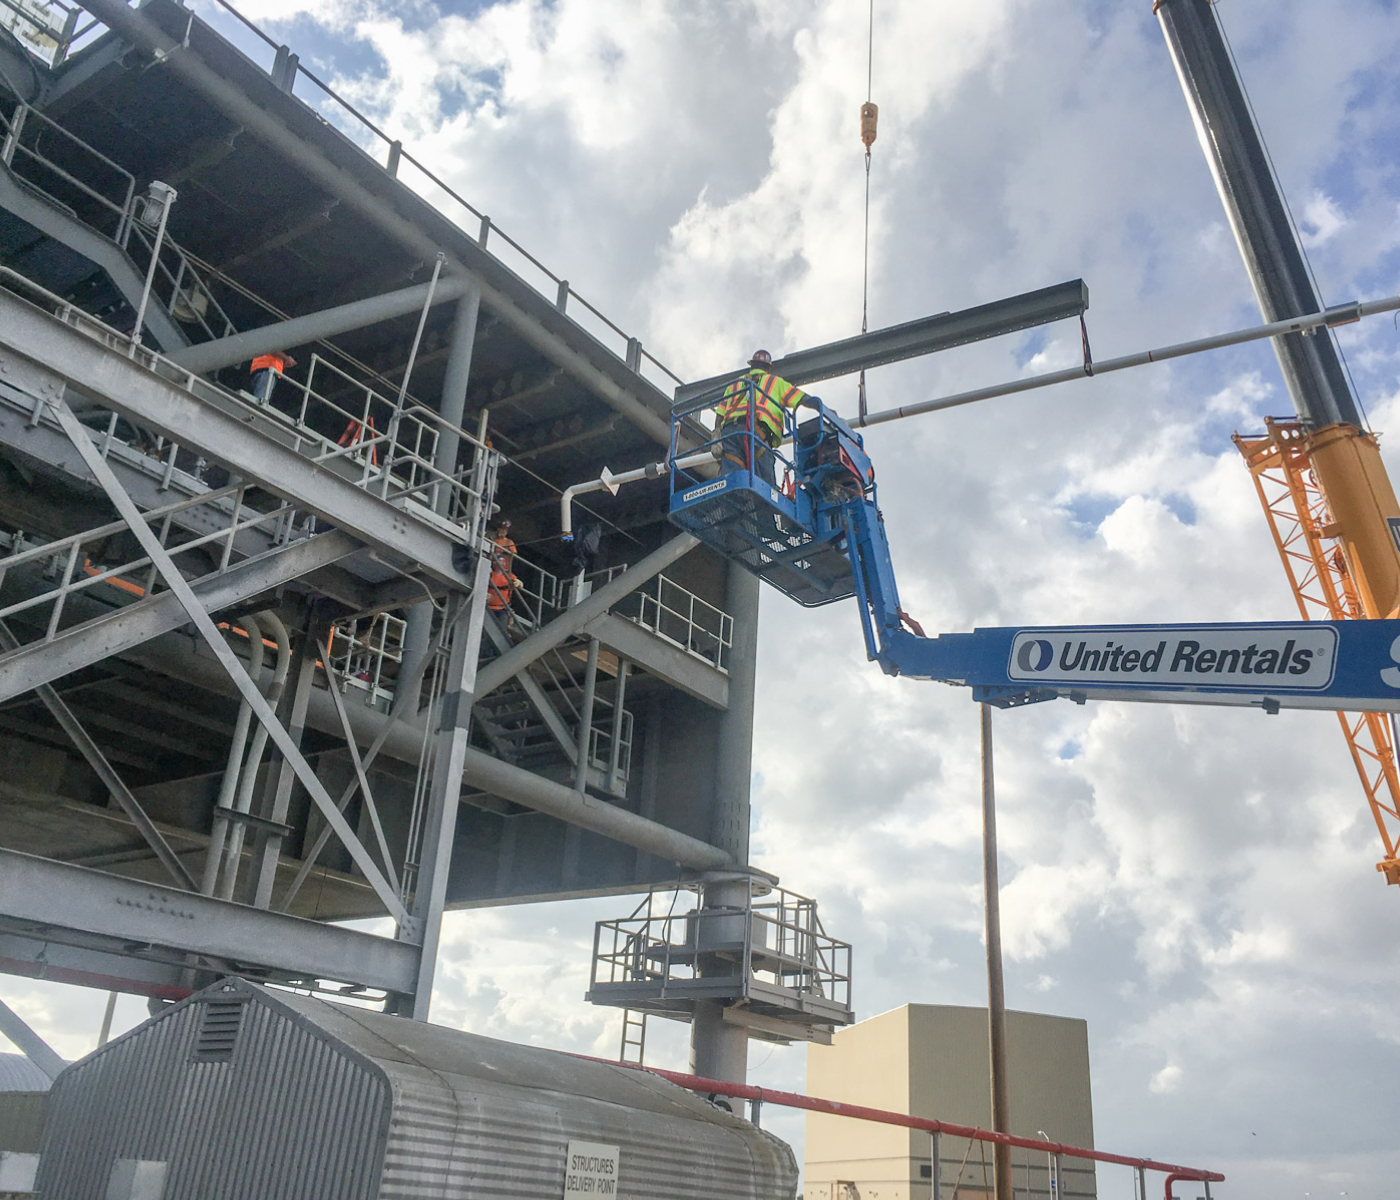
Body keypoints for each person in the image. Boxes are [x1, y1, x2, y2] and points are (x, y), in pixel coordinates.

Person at [713, 349, 814, 489]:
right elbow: (802, 398)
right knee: (765, 486)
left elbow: (720, 414)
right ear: (768, 368)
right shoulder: (775, 382)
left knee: (731, 482)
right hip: (756, 435)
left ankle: (731, 507)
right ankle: (764, 507)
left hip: (729, 435)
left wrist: (716, 435)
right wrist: (821, 408)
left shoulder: (734, 385)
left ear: (752, 365)